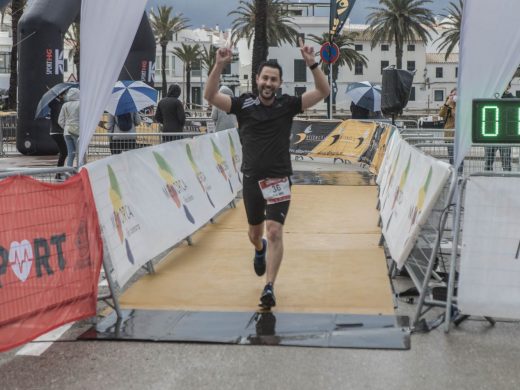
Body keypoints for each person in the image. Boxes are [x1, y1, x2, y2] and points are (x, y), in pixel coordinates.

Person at [204, 38, 330, 309]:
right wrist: (218, 65)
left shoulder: (288, 104)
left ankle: (269, 287)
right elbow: (211, 96)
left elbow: (323, 91)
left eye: (274, 80)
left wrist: (312, 63)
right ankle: (258, 250)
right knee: (255, 234)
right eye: (265, 78)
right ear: (257, 80)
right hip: (251, 179)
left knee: (274, 231)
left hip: (279, 179)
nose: (269, 84)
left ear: (279, 84)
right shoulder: (243, 105)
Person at [485, 83, 514, 171]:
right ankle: (487, 175)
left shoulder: (512, 99)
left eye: (505, 84)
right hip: (490, 135)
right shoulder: (491, 95)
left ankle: (507, 177)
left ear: (509, 87)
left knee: (506, 159)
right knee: (488, 160)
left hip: (505, 136)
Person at [58, 88, 80, 167]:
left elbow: (60, 120)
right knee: (79, 154)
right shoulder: (80, 104)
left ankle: (69, 172)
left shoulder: (65, 105)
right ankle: (80, 171)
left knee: (71, 154)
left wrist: (66, 127)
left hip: (67, 132)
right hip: (77, 131)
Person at [48, 91, 67, 178]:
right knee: (64, 152)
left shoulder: (55, 104)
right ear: (61, 95)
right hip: (58, 132)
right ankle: (58, 173)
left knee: (63, 152)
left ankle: (59, 173)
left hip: (54, 132)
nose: (66, 96)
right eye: (65, 94)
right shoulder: (58, 106)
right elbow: (59, 121)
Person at [439, 87, 456, 165]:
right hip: (449, 135)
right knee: (452, 156)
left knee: (459, 158)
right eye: (453, 94)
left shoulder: (461, 104)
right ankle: (454, 172)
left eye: (456, 95)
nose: (454, 97)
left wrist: (454, 105)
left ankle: (459, 173)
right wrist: (448, 103)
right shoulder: (447, 104)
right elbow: (441, 114)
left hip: (459, 135)